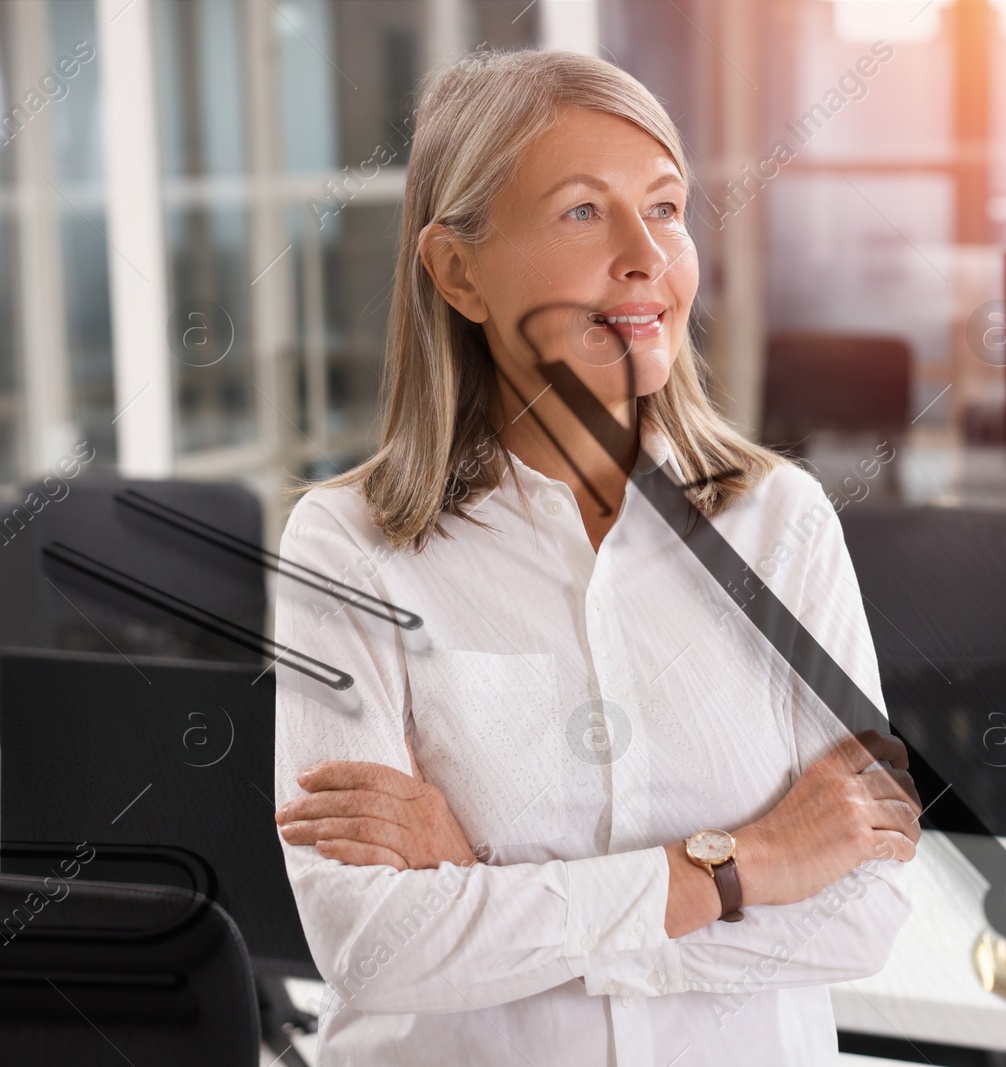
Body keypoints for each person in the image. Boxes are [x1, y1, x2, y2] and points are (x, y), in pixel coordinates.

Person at [270, 48, 921, 1066]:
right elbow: (373, 943)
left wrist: (483, 873)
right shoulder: (349, 544)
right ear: (457, 270)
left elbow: (865, 911)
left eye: (665, 208)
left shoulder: (779, 523)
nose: (646, 255)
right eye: (582, 211)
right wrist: (738, 866)